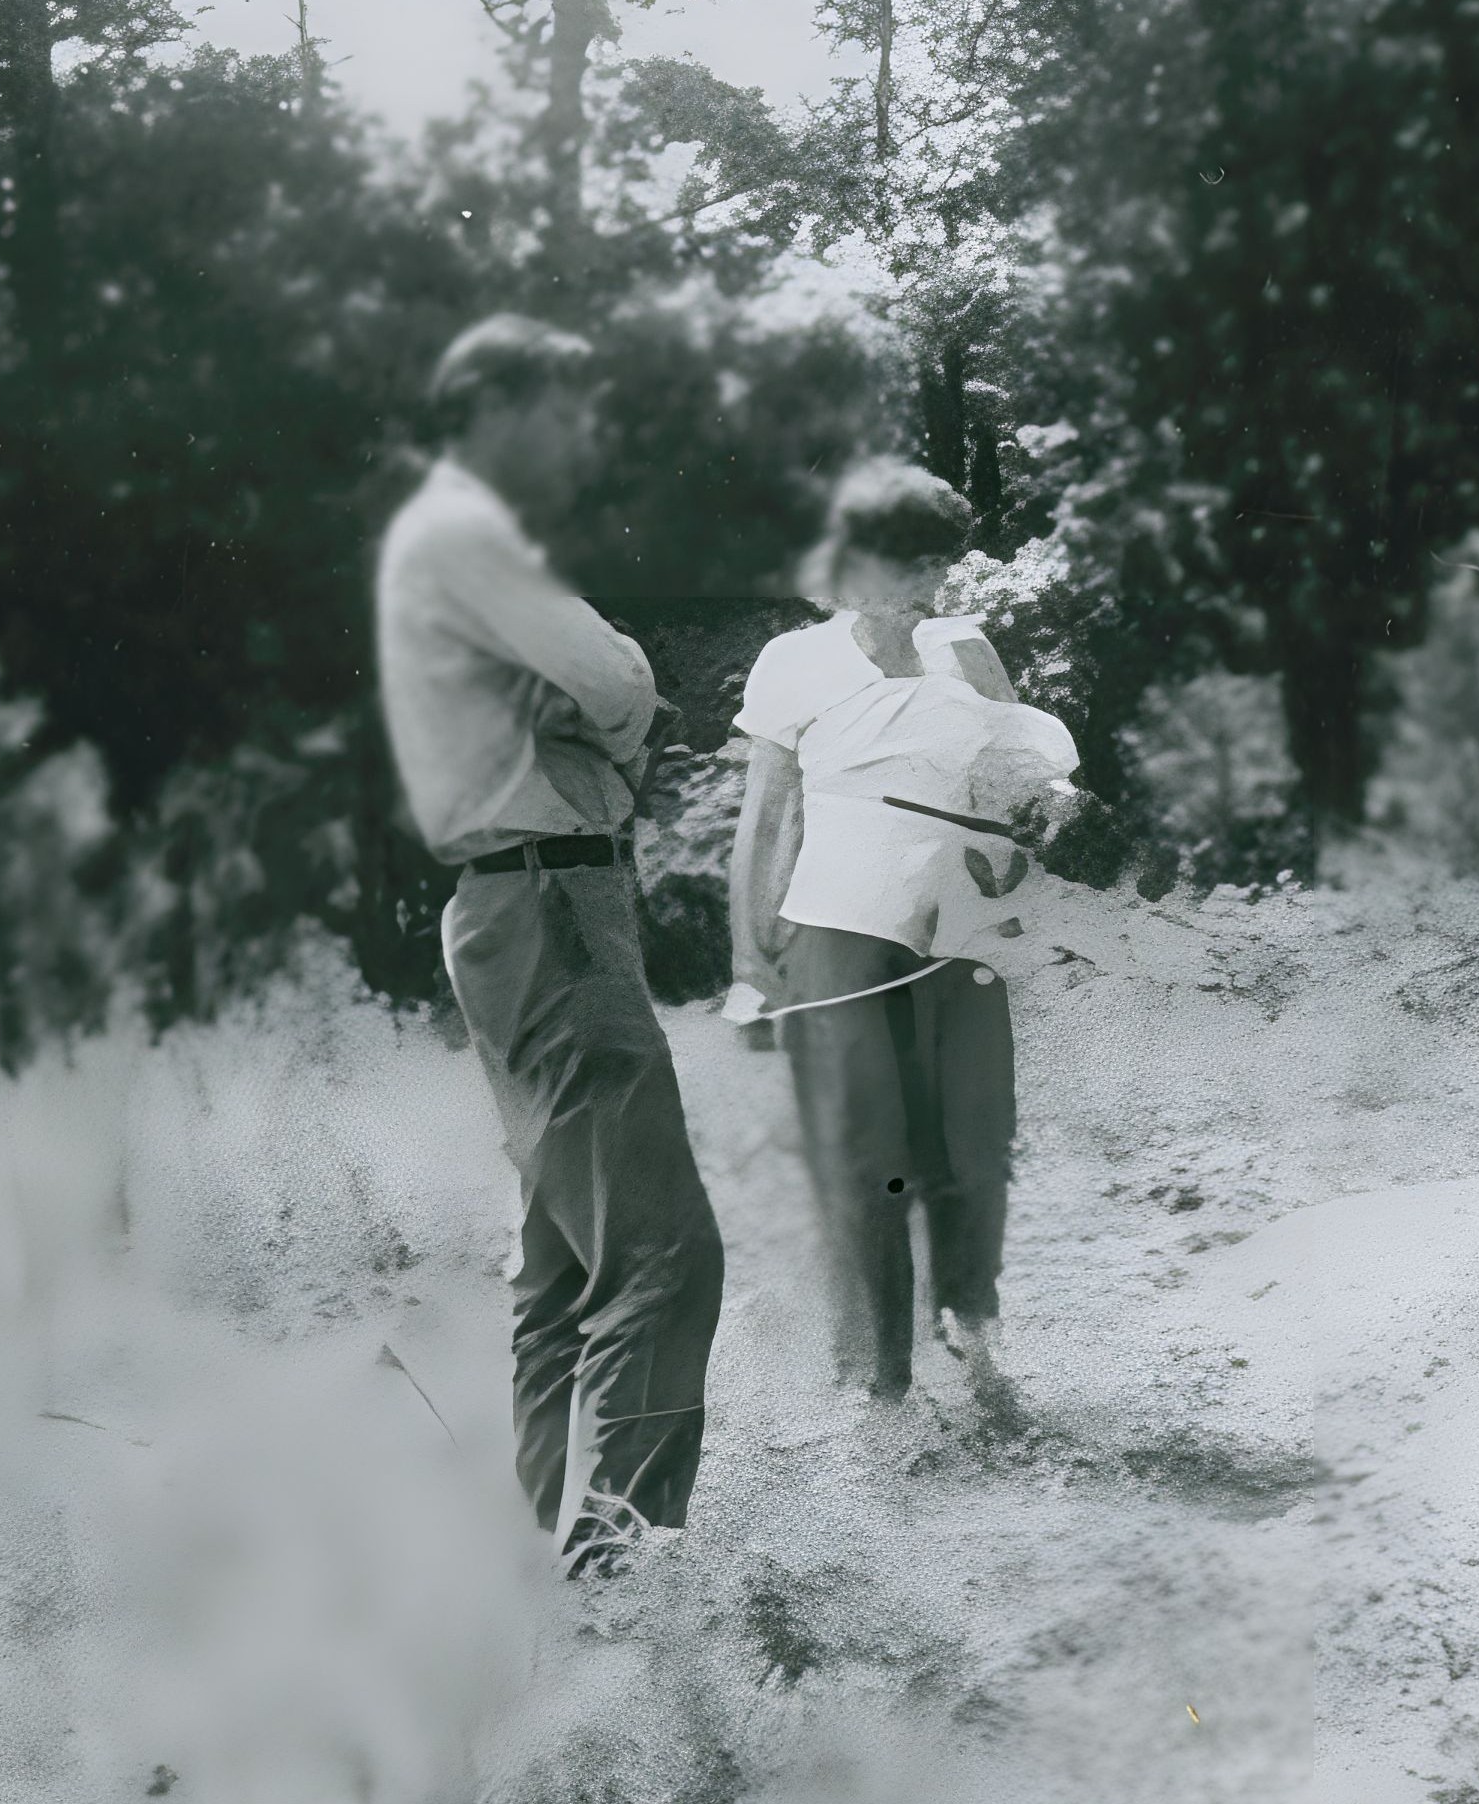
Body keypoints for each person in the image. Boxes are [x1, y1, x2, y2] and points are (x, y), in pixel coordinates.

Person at [375, 313, 724, 1577]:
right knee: (666, 1260)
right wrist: (606, 720)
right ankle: (619, 1596)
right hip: (552, 908)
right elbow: (616, 676)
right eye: (559, 413)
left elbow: (583, 692)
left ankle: (535, 1570)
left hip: (520, 910)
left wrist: (583, 716)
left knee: (566, 1270)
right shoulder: (467, 533)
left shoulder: (444, 540)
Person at [725, 460, 1079, 1402]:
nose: (928, 583)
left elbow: (1015, 770)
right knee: (864, 1155)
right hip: (837, 930)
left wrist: (1051, 810)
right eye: (907, 562)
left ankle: (972, 1352)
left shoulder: (967, 648)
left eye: (938, 560)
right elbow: (764, 821)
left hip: (965, 930)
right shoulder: (795, 662)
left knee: (970, 1143)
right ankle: (877, 1384)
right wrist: (747, 958)